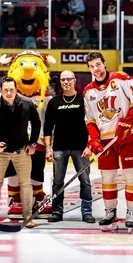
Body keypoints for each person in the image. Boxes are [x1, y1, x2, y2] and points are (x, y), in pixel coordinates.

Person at [83, 52, 133, 232]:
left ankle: (131, 213)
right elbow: (90, 120)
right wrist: (94, 140)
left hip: (129, 136)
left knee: (131, 176)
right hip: (106, 141)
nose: (96, 69)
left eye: (98, 64)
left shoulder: (121, 78)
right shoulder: (88, 91)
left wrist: (126, 123)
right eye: (91, 66)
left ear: (104, 64)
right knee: (107, 178)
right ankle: (110, 212)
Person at [0, 76, 41, 229]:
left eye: (12, 90)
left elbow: (36, 123)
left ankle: (27, 216)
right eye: (6, 90)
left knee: (25, 183)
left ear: (16, 90)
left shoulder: (27, 104)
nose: (9, 93)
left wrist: (33, 143)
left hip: (21, 151)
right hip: (0, 152)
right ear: (0, 91)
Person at [44, 70, 94, 223]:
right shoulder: (54, 102)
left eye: (68, 79)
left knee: (85, 180)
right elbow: (47, 127)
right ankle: (57, 211)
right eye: (63, 79)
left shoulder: (83, 100)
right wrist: (48, 148)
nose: (66, 82)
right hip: (60, 147)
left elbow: (92, 123)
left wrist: (90, 145)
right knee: (58, 182)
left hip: (81, 147)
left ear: (74, 80)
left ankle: (87, 212)